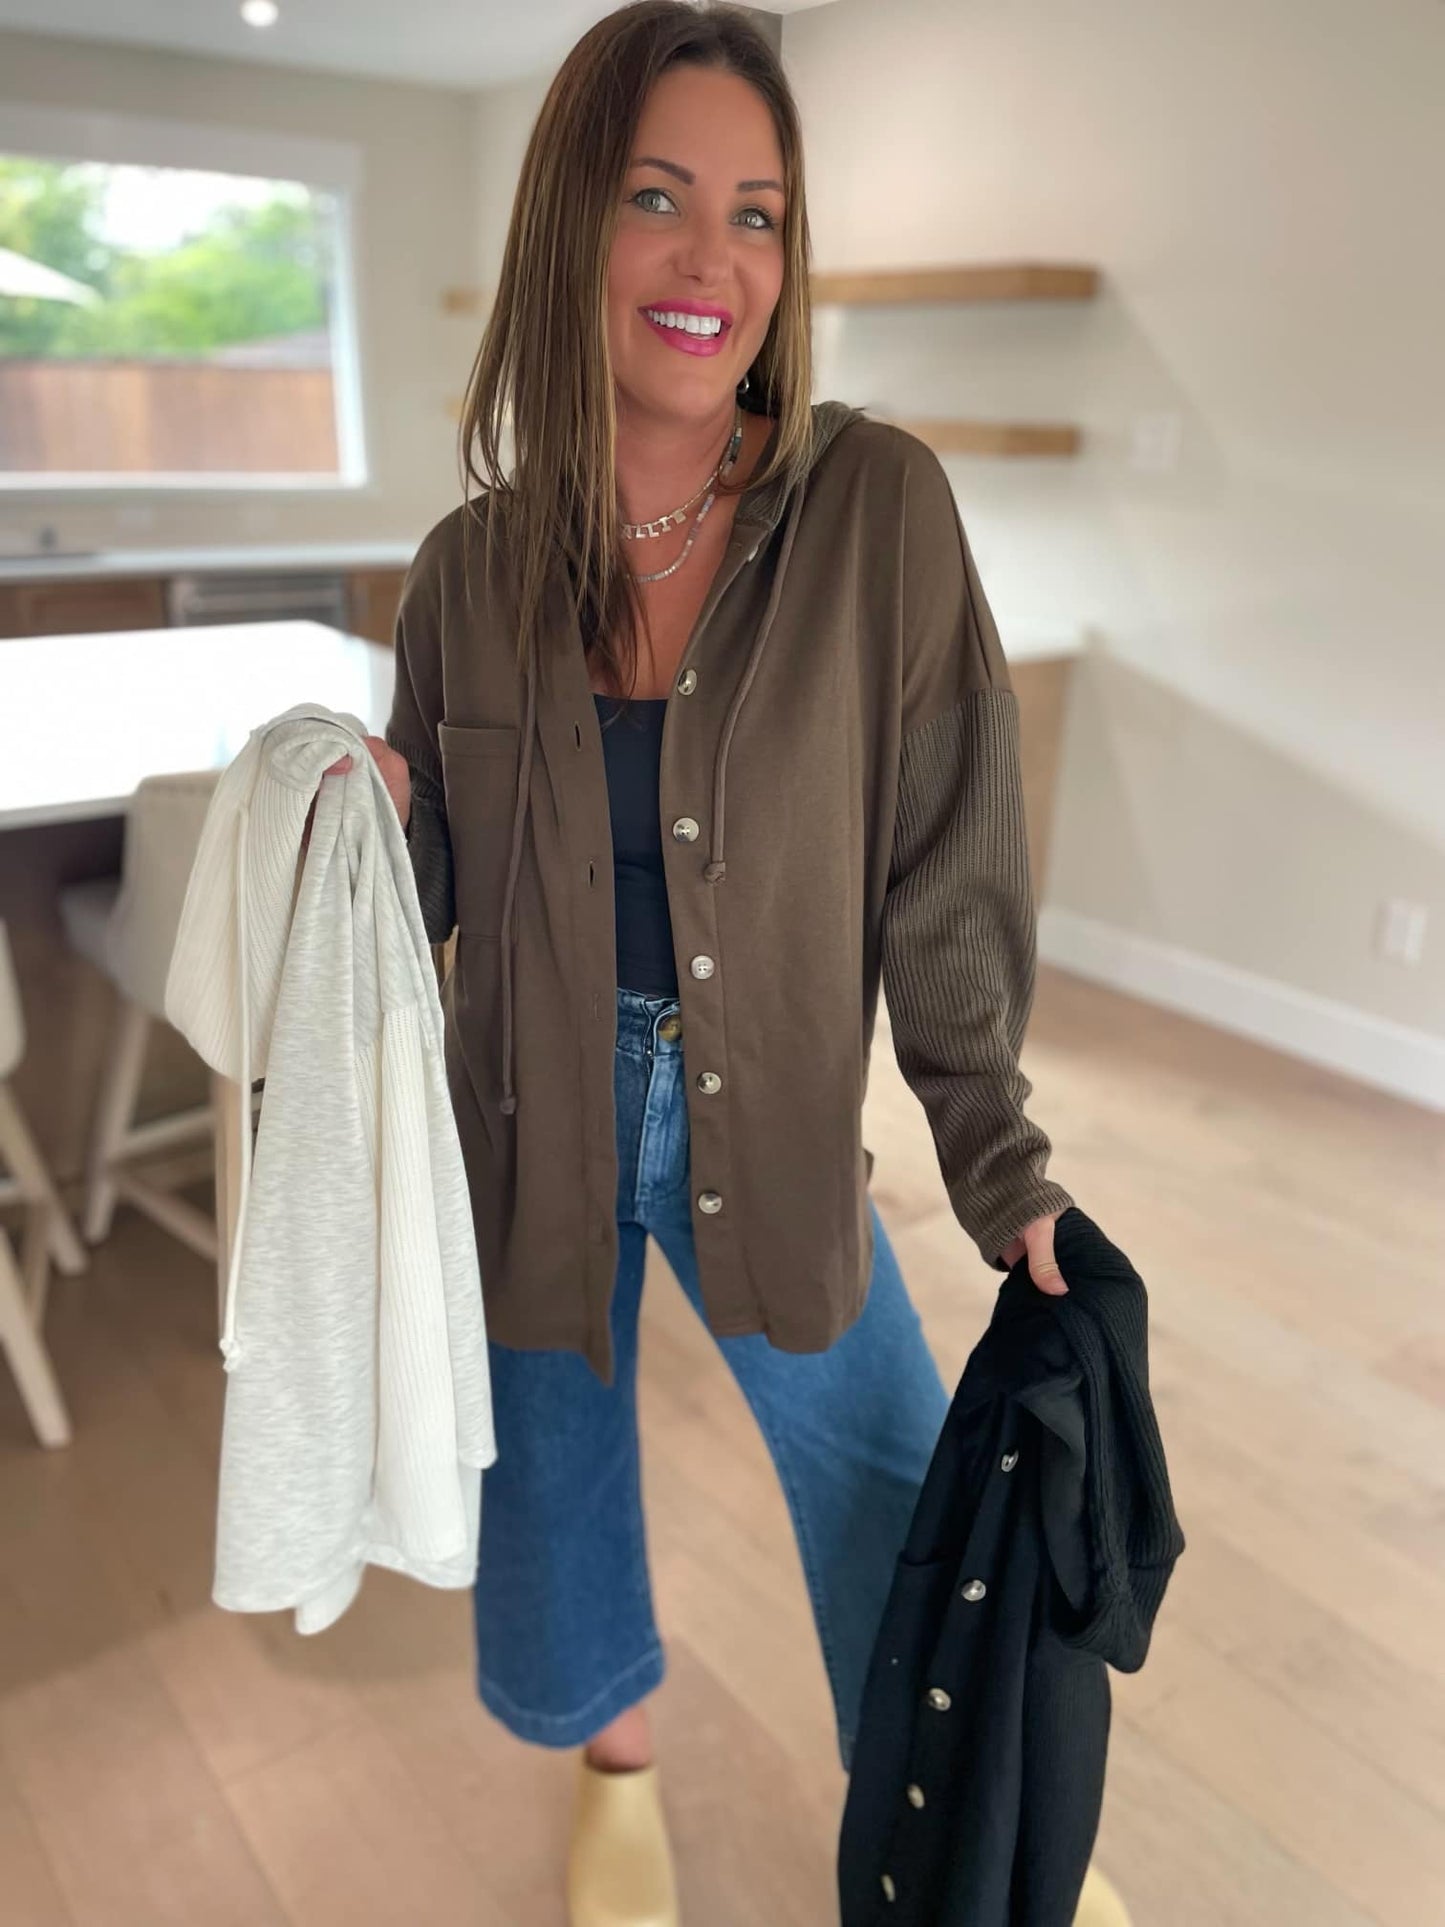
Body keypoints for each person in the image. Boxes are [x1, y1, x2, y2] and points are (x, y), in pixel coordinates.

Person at [315, 5, 1075, 1921]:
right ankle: (616, 1776)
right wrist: (374, 819)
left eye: (757, 213)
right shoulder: (468, 569)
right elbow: (434, 887)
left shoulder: (873, 511)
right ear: (570, 221)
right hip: (524, 1112)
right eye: (657, 197)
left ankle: (967, 1825)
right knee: (552, 1480)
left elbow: (947, 864)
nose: (711, 258)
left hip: (777, 1117)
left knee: (893, 1483)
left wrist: (997, 1159)